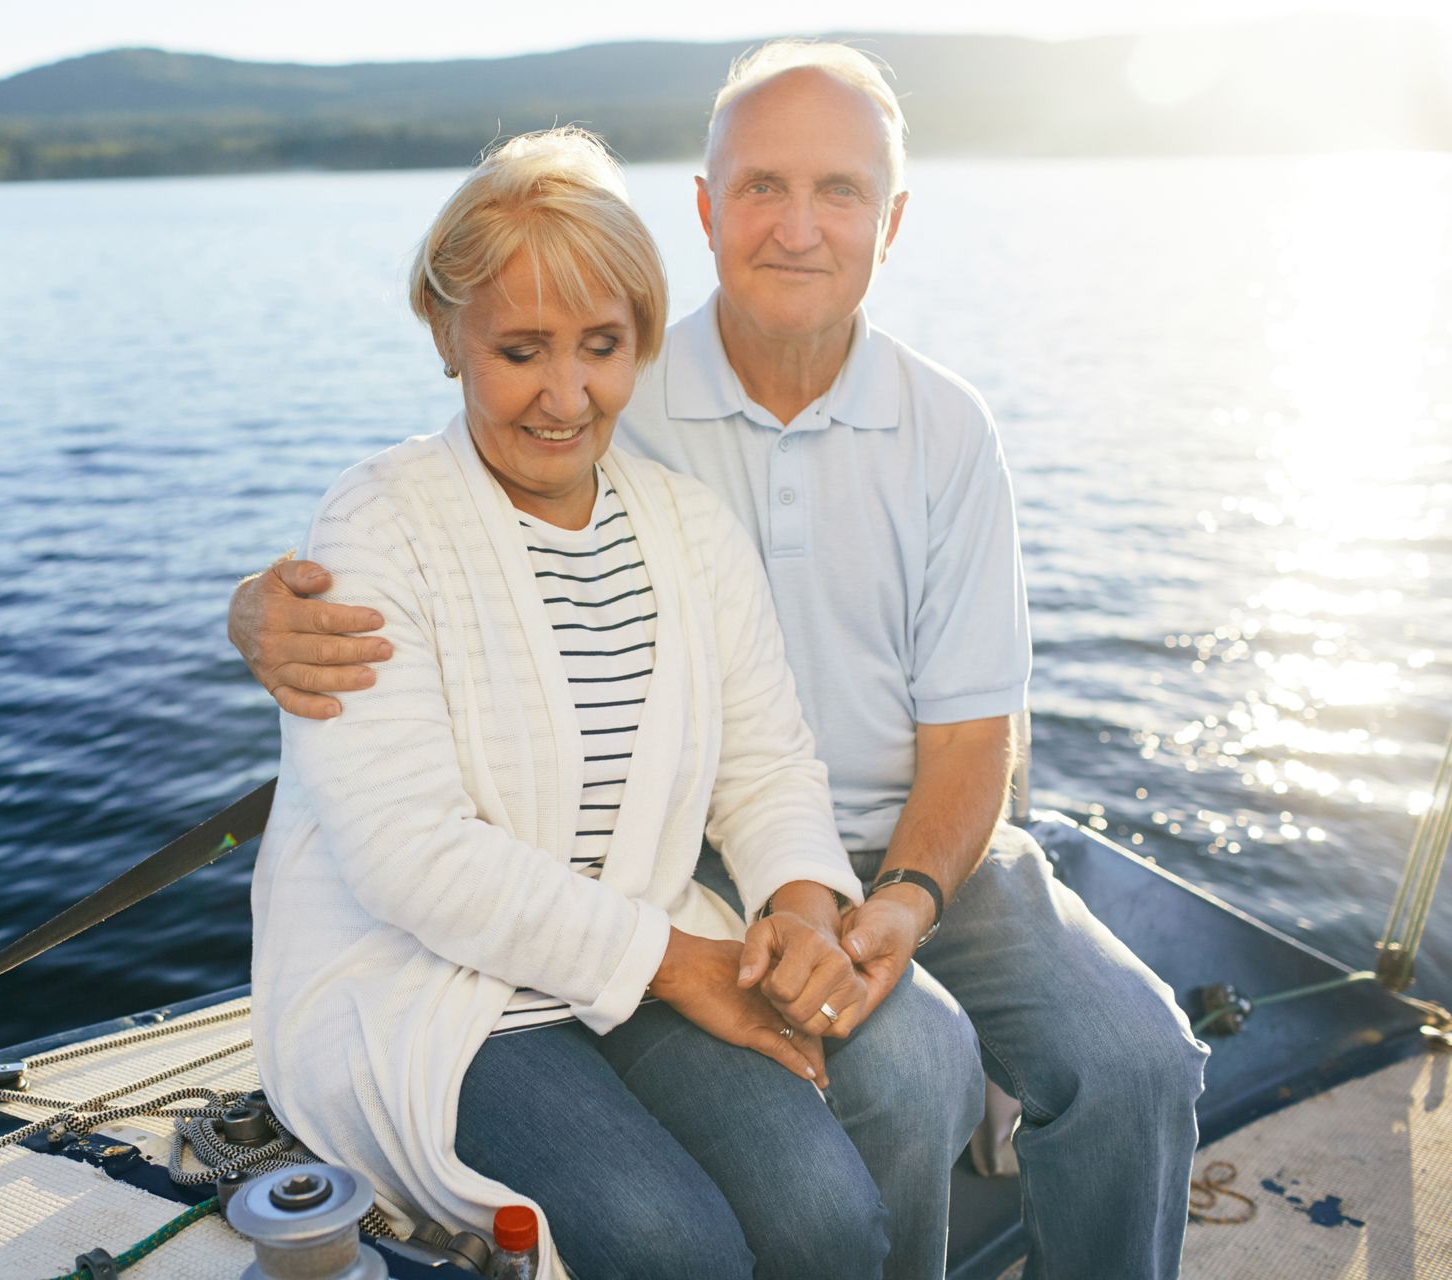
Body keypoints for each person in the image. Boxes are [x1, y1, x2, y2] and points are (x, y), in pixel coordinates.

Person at [234, 40, 1210, 1280]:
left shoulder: (932, 433)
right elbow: (434, 506)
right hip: (645, 888)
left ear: (891, 218)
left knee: (1114, 1062)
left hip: (889, 862)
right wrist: (257, 611)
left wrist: (858, 902)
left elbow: (916, 744)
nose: (565, 389)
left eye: (839, 191)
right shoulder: (604, 397)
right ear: (703, 207)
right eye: (761, 186)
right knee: (757, 1172)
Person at [249, 125, 981, 1280]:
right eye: (520, 349)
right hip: (444, 992)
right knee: (665, 1240)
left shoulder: (686, 524)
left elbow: (765, 765)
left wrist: (795, 900)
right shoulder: (378, 523)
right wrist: (686, 965)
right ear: (448, 336)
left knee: (825, 1217)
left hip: (637, 956)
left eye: (603, 345)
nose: (565, 393)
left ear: (643, 340)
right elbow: (404, 854)